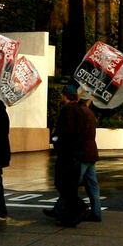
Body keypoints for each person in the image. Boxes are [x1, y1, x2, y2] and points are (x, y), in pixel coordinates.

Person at [52, 84, 90, 227]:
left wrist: (56, 140)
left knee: (63, 185)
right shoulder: (81, 111)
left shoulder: (67, 110)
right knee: (70, 187)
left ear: (66, 96)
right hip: (76, 154)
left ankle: (75, 211)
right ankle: (71, 214)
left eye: (63, 95)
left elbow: (66, 132)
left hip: (67, 155)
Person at [78, 96, 102, 222]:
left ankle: (63, 210)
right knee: (93, 186)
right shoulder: (90, 113)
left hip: (83, 153)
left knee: (71, 184)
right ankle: (96, 212)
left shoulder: (80, 113)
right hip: (92, 152)